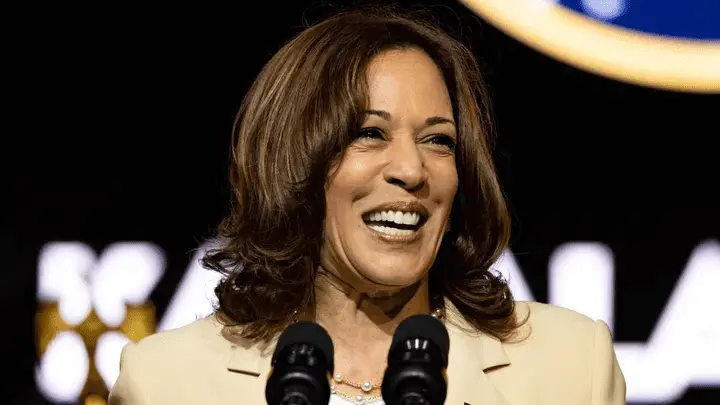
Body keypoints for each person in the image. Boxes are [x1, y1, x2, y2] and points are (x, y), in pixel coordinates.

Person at [109, 7, 626, 405]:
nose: (412, 170)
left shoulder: (570, 367)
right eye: (370, 133)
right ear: (295, 163)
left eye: (439, 141)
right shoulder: (165, 384)